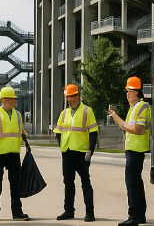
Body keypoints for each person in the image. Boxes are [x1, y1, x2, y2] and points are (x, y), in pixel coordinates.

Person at [0, 86, 30, 221]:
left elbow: (20, 132)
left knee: (15, 185)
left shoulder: (18, 115)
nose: (14, 101)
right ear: (3, 100)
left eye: (15, 99)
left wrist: (25, 142)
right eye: (11, 99)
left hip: (14, 154)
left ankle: (17, 212)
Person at [108, 77, 150, 226]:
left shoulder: (142, 106)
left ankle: (133, 216)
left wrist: (118, 120)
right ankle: (140, 215)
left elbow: (138, 129)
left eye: (130, 90)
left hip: (136, 150)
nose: (128, 93)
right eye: (127, 91)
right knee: (136, 182)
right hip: (133, 150)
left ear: (138, 91)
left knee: (132, 183)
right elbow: (126, 126)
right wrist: (116, 117)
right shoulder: (133, 108)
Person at [55, 84, 98, 222]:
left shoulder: (87, 111)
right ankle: (68, 211)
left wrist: (90, 151)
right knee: (68, 182)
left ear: (78, 96)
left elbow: (93, 132)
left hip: (81, 153)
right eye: (68, 96)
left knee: (85, 182)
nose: (70, 99)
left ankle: (90, 213)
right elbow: (58, 132)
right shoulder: (64, 113)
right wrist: (61, 146)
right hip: (67, 152)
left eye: (73, 96)